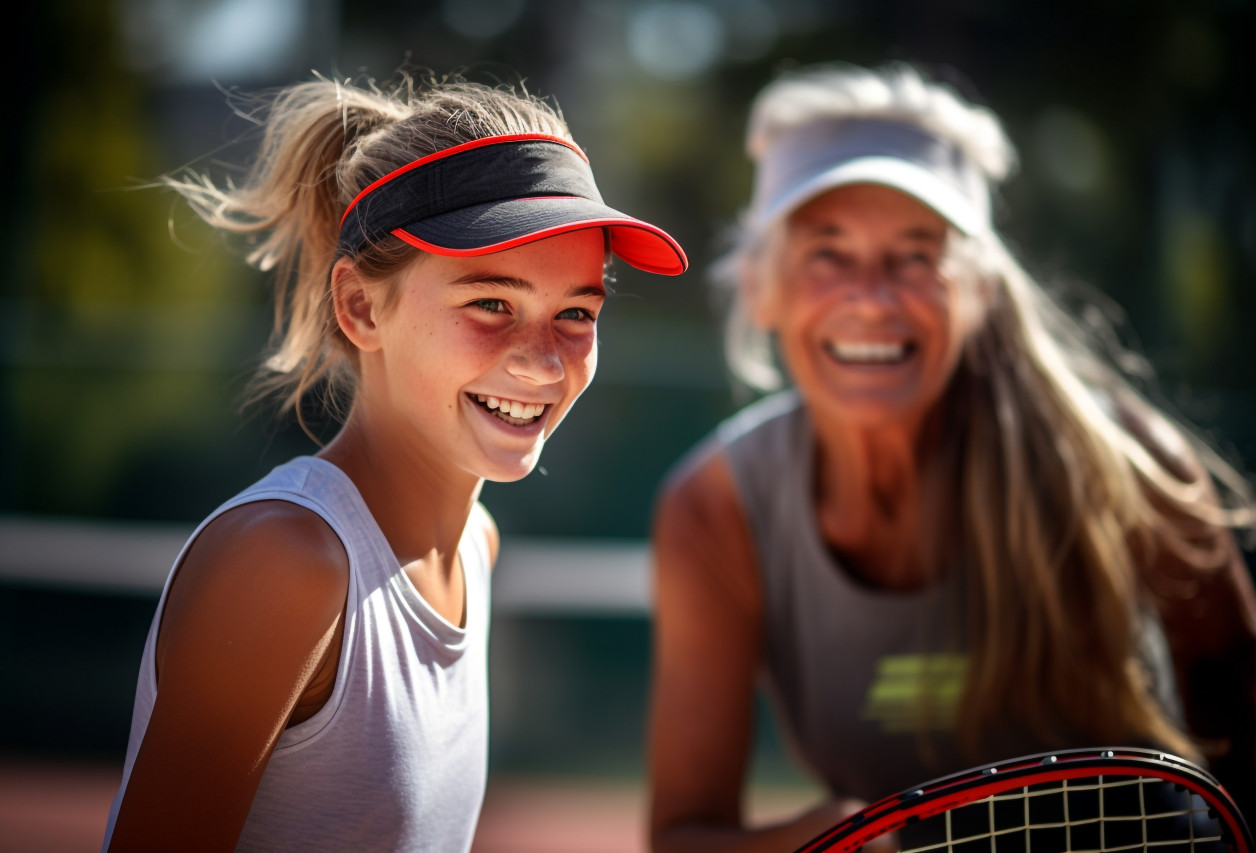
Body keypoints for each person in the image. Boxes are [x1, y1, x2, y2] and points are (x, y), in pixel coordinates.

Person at [647, 61, 1256, 852]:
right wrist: (833, 839)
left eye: (915, 253)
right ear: (763, 288)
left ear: (981, 289)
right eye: (827, 253)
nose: (871, 295)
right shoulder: (712, 510)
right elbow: (684, 837)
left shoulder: (1134, 465)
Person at [101, 70, 686, 853]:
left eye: (576, 313)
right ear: (361, 306)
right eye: (491, 303)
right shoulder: (285, 564)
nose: (545, 361)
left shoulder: (477, 545)